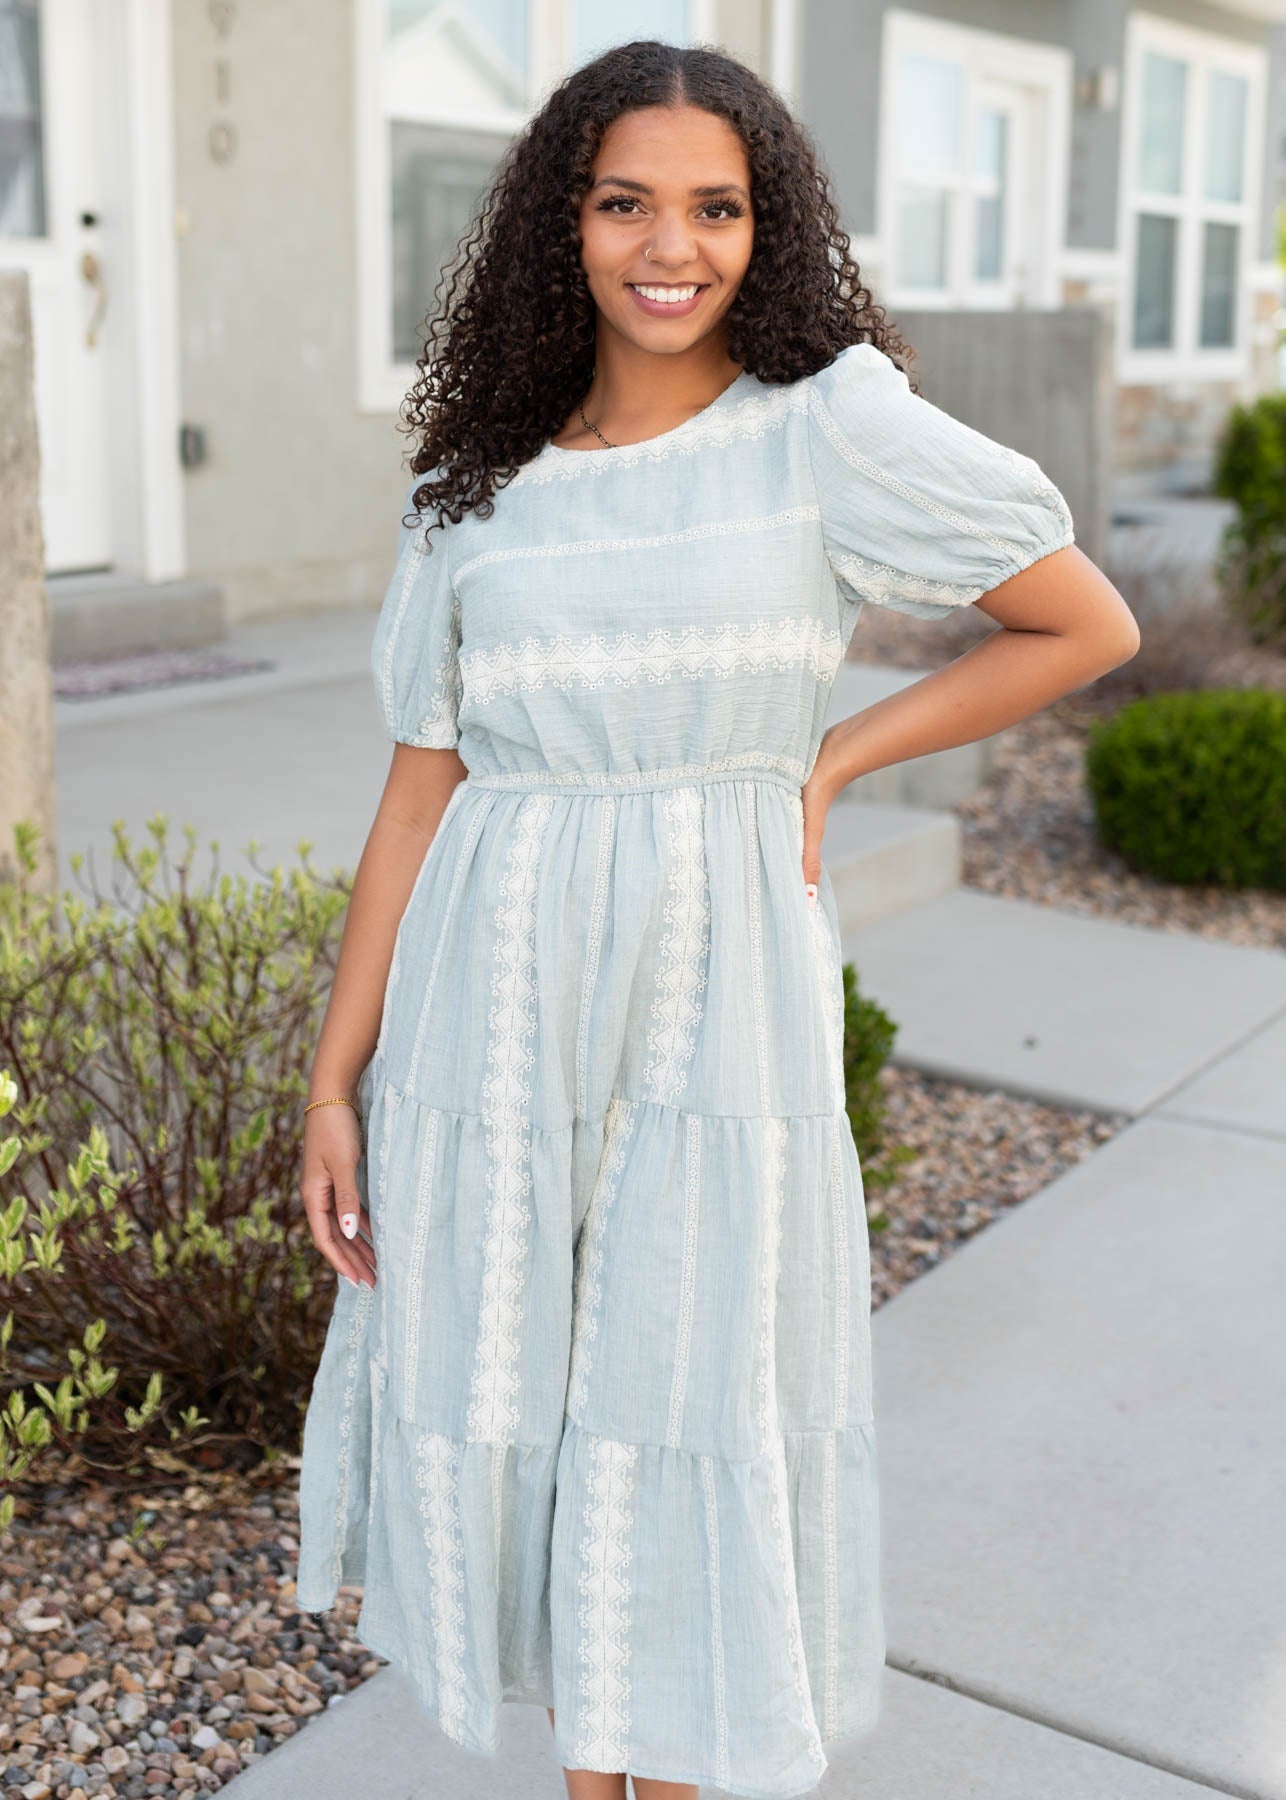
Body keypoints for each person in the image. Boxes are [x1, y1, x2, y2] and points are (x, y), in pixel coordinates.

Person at [293, 37, 1139, 1800]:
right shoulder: (475, 486)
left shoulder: (824, 428)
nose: (667, 246)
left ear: (768, 228)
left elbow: (1078, 622)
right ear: (561, 224)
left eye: (715, 206)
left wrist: (833, 761)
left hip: (709, 986)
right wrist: (334, 1081)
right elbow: (411, 793)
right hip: (494, 993)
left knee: (689, 1386)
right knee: (520, 1387)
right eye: (624, 203)